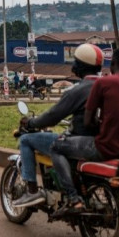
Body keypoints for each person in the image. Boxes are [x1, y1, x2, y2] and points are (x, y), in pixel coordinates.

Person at [50, 47, 119, 214]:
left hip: (107, 148)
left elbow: (88, 122)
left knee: (56, 146)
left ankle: (73, 197)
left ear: (113, 64)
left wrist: (100, 125)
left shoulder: (103, 83)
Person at [11, 44, 104, 208]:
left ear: (81, 66)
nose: (73, 65)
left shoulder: (79, 90)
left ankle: (32, 191)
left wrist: (31, 122)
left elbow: (53, 116)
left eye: (75, 61)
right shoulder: (107, 86)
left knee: (26, 140)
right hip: (102, 142)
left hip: (79, 143)